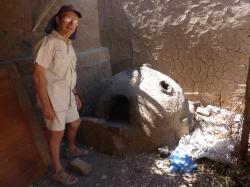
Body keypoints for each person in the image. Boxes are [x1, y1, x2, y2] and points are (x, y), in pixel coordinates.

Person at [33, 5, 88, 185]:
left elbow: (67, 75)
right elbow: (37, 74)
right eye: (68, 19)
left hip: (69, 95)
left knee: (75, 122)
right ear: (58, 19)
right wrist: (46, 105)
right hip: (54, 98)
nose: (73, 24)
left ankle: (71, 149)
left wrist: (76, 94)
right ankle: (57, 171)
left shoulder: (68, 45)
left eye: (76, 21)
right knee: (57, 134)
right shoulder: (49, 43)